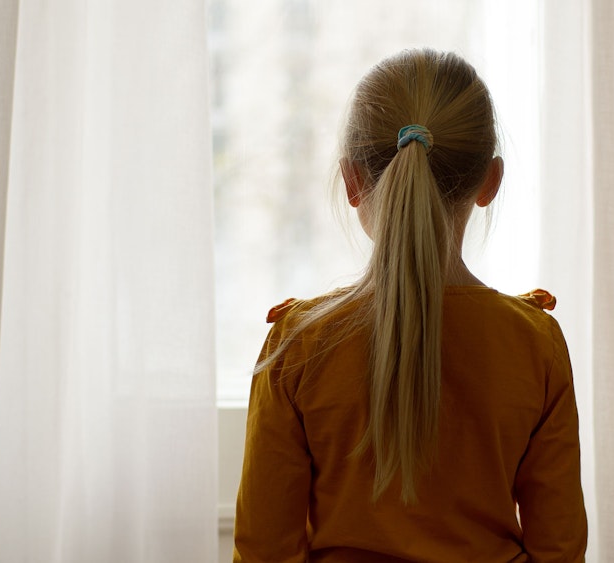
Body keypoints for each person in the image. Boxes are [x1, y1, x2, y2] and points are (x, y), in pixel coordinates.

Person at [233, 48, 587, 562]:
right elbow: (560, 550)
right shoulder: (535, 346)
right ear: (490, 181)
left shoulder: (299, 346)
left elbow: (264, 552)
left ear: (352, 181)